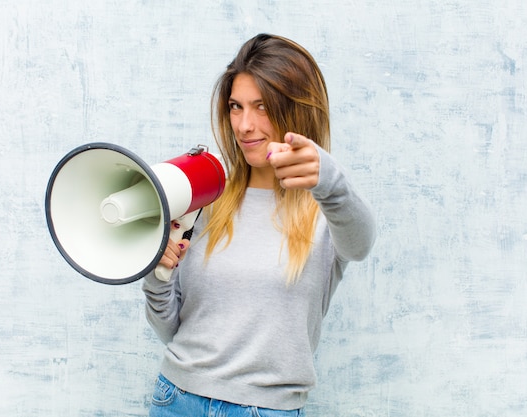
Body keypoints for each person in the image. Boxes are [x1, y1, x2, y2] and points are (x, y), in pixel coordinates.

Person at [142, 33, 376, 416]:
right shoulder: (207, 198)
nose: (245, 125)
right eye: (236, 106)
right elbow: (171, 329)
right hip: (176, 399)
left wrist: (328, 179)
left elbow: (362, 244)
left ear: (296, 111)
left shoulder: (328, 209)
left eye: (262, 107)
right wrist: (157, 276)